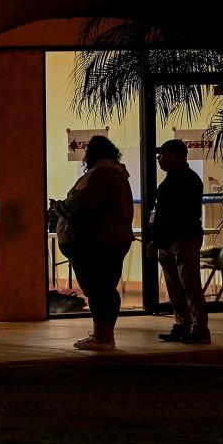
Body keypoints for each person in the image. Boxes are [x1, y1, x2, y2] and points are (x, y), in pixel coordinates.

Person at [50, 135, 134, 351]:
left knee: (99, 289)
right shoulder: (117, 174)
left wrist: (58, 207)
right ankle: (104, 335)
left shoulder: (101, 175)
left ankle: (102, 337)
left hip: (96, 242)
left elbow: (80, 205)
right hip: (109, 240)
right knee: (104, 288)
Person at [148, 139, 210, 344]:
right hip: (167, 241)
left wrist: (164, 237)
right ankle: (183, 324)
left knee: (189, 285)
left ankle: (199, 329)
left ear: (175, 155)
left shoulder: (188, 180)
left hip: (183, 239)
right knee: (175, 287)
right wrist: (157, 240)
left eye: (162, 154)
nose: (158, 158)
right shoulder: (170, 179)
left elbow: (181, 215)